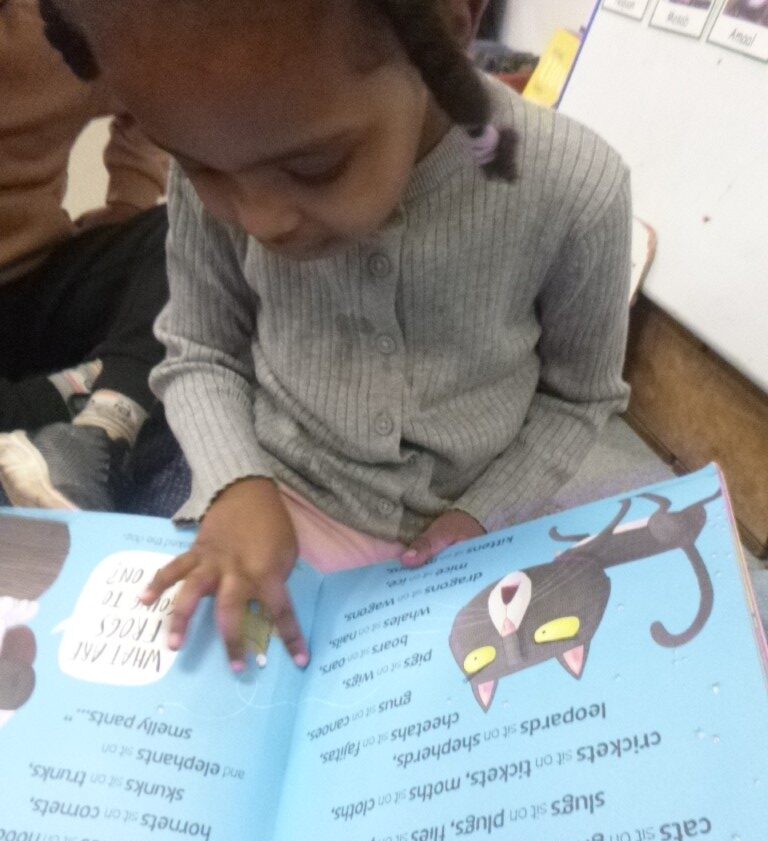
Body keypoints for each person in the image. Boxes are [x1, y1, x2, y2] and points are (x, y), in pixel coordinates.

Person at [40, 0, 633, 675]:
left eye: (316, 166)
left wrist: (482, 516)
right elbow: (200, 348)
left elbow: (579, 398)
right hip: (273, 489)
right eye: (199, 167)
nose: (259, 220)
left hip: (475, 527)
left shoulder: (576, 187)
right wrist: (235, 481)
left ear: (449, 29)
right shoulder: (218, 144)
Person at [0, 0, 169, 511]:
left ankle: (96, 431)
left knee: (189, 231)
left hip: (36, 281)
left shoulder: (57, 23)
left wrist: (128, 203)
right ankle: (81, 393)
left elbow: (152, 87)